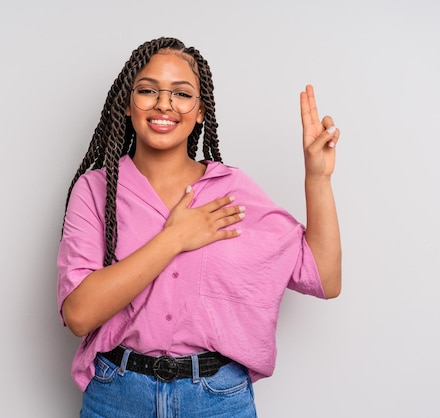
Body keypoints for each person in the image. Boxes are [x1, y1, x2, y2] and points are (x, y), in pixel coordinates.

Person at [57, 37, 341, 417]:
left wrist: (317, 178)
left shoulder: (232, 191)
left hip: (216, 399)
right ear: (128, 103)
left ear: (201, 110)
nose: (164, 104)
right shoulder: (95, 189)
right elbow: (78, 315)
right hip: (117, 397)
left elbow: (325, 277)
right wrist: (175, 238)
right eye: (147, 90)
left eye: (181, 94)